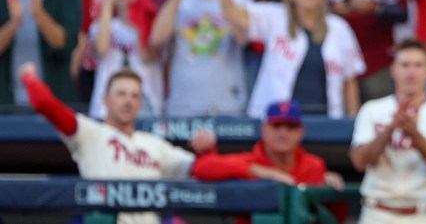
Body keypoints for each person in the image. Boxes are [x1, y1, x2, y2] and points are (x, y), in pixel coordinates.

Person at [17, 65, 290, 224]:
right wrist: (29, 76)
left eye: (135, 95)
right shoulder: (90, 132)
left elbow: (204, 169)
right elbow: (44, 104)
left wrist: (211, 152)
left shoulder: (154, 144)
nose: (128, 101)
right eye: (121, 94)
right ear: (106, 99)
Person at [222, 0, 365, 119]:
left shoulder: (339, 28)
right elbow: (234, 15)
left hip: (326, 123)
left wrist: (352, 121)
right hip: (278, 122)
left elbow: (349, 80)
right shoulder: (276, 17)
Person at [350, 39, 426, 223]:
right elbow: (359, 161)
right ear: (393, 70)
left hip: (424, 213)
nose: (411, 72)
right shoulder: (372, 109)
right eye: (405, 65)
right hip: (377, 211)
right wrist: (389, 129)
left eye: (418, 65)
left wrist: (415, 135)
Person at [192, 100, 346, 224]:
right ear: (263, 129)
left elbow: (335, 217)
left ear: (301, 132)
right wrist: (259, 171)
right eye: (276, 126)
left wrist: (333, 191)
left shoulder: (314, 165)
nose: (283, 133)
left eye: (290, 127)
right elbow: (202, 167)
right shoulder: (250, 161)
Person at [149, 0, 250, 117]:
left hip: (226, 105)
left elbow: (243, 37)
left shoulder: (239, 1)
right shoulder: (180, 4)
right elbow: (157, 38)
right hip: (183, 105)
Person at [0, 0, 82, 106]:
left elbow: (65, 43)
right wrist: (14, 23)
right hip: (7, 104)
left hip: (55, 101)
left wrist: (39, 15)